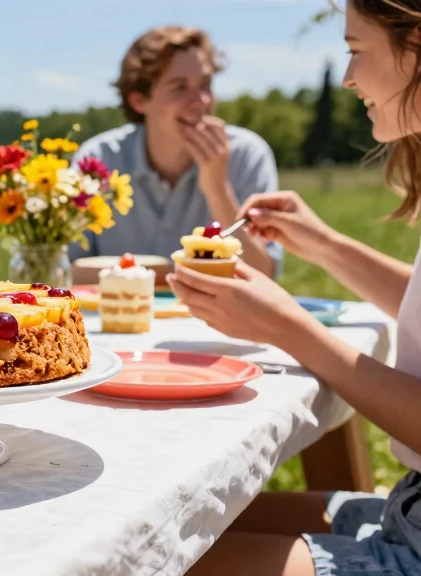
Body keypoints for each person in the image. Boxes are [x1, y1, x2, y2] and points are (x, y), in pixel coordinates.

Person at [177, 2, 421, 575]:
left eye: (357, 49)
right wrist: (324, 244)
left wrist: (287, 327)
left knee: (156, 561)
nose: (347, 77)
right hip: (407, 509)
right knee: (195, 523)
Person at [70, 26, 282, 278]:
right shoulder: (98, 159)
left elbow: (264, 278)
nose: (201, 100)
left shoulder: (247, 155)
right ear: (139, 101)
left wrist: (217, 188)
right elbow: (68, 271)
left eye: (205, 84)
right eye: (180, 87)